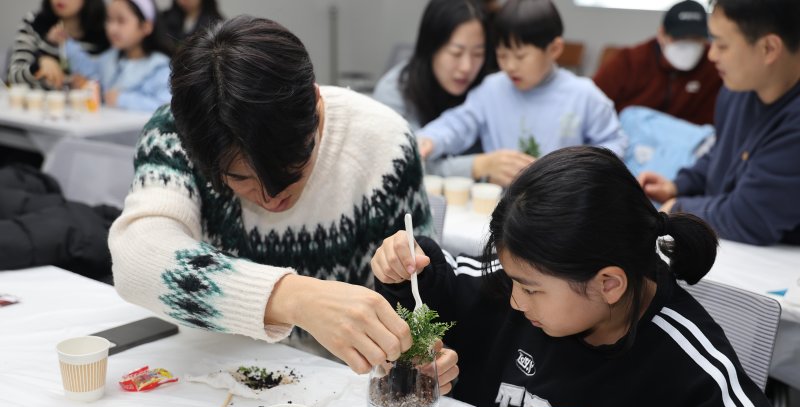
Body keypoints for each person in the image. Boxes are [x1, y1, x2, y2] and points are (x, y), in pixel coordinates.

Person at [371, 146, 800, 407]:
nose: (516, 302)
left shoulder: (679, 348)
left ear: (608, 284)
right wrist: (408, 271)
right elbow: (445, 283)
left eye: (532, 289)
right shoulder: (513, 285)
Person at [108, 16, 457, 386]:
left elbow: (418, 299)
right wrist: (293, 298)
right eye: (241, 178)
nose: (271, 197)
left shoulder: (383, 144)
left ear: (317, 104)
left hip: (334, 386)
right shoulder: (177, 132)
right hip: (207, 371)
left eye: (291, 167)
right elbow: (137, 257)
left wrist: (411, 351)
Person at [639, 0, 800, 246]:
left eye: (722, 45)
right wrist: (678, 185)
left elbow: (749, 218)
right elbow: (723, 152)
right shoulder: (738, 90)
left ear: (769, 48)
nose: (711, 54)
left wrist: (677, 208)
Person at [417, 0, 626, 186]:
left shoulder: (583, 95)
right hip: (504, 203)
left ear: (554, 49)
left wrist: (581, 170)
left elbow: (614, 144)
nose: (509, 66)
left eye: (520, 56)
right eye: (502, 55)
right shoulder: (492, 89)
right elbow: (459, 123)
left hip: (563, 205)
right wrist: (430, 140)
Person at [373, 0, 528, 182]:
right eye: (456, 53)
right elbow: (401, 164)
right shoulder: (394, 91)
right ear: (430, 48)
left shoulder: (488, 88)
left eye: (478, 54)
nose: (466, 67)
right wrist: (479, 166)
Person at [593, 0, 722, 126]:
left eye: (696, 39)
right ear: (661, 34)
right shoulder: (629, 62)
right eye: (679, 38)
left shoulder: (713, 67)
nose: (687, 46)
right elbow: (591, 106)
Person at [50, 0, 171, 112]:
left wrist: (121, 99)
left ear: (146, 27)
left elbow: (166, 106)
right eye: (109, 20)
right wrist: (67, 44)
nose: (112, 28)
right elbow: (90, 70)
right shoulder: (111, 57)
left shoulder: (160, 66)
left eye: (121, 21)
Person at [7, 0, 108, 89]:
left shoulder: (105, 34)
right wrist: (39, 64)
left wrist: (87, 83)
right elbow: (13, 77)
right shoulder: (34, 23)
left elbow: (107, 87)